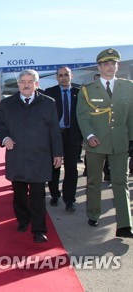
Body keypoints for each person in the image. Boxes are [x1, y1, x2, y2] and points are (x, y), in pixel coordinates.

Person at [0, 69, 63, 243]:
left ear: (37, 84)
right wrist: (5, 138)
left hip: (39, 156)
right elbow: (0, 125)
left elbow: (54, 131)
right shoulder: (7, 104)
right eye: (23, 81)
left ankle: (39, 229)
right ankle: (23, 220)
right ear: (18, 84)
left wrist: (57, 153)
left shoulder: (48, 103)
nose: (26, 84)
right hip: (16, 156)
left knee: (38, 195)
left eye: (30, 81)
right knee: (19, 194)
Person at [76, 48, 133, 238]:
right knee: (94, 181)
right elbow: (83, 117)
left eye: (113, 63)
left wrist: (132, 139)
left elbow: (131, 116)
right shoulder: (87, 90)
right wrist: (90, 135)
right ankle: (93, 214)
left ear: (117, 66)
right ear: (99, 67)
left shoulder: (128, 87)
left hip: (120, 143)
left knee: (121, 182)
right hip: (96, 143)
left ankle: (125, 224)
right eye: (106, 64)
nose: (110, 67)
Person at [44, 66, 81, 212]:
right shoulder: (50, 93)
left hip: (73, 135)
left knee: (72, 168)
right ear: (56, 77)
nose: (63, 78)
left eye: (66, 75)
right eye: (60, 75)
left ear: (71, 76)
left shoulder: (79, 93)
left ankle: (69, 199)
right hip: (55, 136)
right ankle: (54, 194)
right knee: (54, 167)